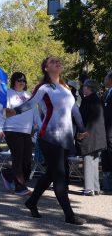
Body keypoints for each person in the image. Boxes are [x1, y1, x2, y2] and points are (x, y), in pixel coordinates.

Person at [5, 56, 88, 225]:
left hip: (65, 138)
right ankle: (69, 215)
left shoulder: (66, 88)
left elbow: (75, 110)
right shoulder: (44, 88)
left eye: (59, 61)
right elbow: (31, 103)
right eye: (52, 62)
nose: (57, 63)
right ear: (45, 68)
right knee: (60, 175)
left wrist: (82, 129)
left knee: (52, 173)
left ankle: (32, 201)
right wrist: (14, 111)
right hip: (49, 136)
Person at [0, 72, 41, 196]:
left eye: (24, 80)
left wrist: (39, 126)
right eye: (19, 80)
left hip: (26, 130)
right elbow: (1, 113)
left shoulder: (29, 95)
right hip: (11, 130)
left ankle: (8, 174)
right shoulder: (7, 94)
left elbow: (35, 113)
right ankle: (20, 188)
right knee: (18, 158)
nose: (22, 82)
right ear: (13, 81)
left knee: (26, 159)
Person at [76, 79, 107, 196]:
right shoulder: (99, 100)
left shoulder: (87, 101)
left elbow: (80, 118)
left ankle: (89, 188)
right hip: (99, 136)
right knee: (94, 161)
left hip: (89, 134)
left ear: (89, 88)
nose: (83, 88)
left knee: (88, 160)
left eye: (84, 86)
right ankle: (96, 187)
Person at [101, 71, 112, 191]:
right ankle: (107, 182)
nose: (104, 81)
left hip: (110, 127)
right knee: (106, 151)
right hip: (105, 127)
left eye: (106, 78)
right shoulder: (106, 93)